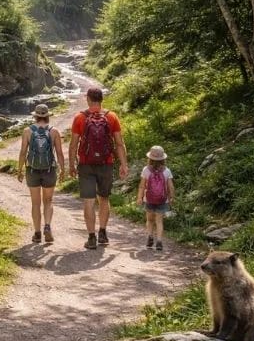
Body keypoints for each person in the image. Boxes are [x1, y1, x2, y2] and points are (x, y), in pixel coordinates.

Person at [69, 87, 129, 250]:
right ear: (102, 99)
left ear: (88, 99)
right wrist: (123, 164)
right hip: (106, 163)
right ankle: (102, 232)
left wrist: (71, 165)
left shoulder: (80, 118)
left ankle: (91, 237)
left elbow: (73, 144)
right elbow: (119, 143)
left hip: (86, 164)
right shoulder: (111, 116)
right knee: (104, 199)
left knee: (88, 202)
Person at [18, 104, 65, 243]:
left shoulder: (27, 131)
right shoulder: (54, 131)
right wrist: (63, 169)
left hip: (32, 170)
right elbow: (60, 153)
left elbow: (22, 152)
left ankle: (37, 233)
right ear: (47, 116)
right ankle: (48, 226)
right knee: (48, 200)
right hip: (49, 170)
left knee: (35, 203)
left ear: (35, 116)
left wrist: (19, 170)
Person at [136, 145, 175, 251]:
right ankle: (159, 241)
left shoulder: (146, 170)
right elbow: (170, 186)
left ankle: (149, 237)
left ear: (150, 158)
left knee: (149, 219)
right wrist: (172, 197)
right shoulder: (166, 171)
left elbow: (142, 185)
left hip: (149, 199)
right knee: (159, 221)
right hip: (163, 199)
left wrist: (139, 197)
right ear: (163, 159)